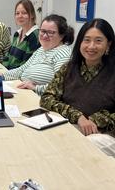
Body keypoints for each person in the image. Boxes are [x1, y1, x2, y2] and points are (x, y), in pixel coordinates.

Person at [40, 18, 115, 155]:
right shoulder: (69, 68)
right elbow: (46, 98)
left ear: (108, 45)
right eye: (86, 40)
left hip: (104, 135)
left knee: (83, 146)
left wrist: (96, 120)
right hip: (72, 127)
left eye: (98, 41)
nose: (91, 46)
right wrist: (78, 116)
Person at [0, 14, 74, 95]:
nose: (45, 35)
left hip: (42, 99)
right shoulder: (41, 49)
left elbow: (61, 86)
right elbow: (22, 69)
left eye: (50, 32)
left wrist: (35, 88)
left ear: (62, 35)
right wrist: (2, 76)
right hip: (26, 92)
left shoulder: (63, 53)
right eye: (42, 31)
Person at [2, 0, 40, 69]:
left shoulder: (35, 35)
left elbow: (25, 66)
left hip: (19, 77)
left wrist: (6, 74)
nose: (20, 16)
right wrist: (3, 70)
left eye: (24, 13)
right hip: (8, 74)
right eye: (17, 13)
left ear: (32, 15)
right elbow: (7, 56)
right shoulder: (17, 34)